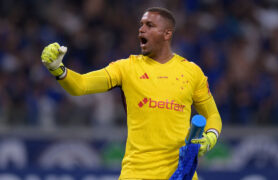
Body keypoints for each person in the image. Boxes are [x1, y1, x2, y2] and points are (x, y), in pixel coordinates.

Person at [41, 7, 222, 180]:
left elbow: (212, 114)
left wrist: (211, 137)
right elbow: (80, 85)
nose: (141, 30)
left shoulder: (192, 72)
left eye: (149, 25)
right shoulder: (126, 68)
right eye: (141, 25)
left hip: (181, 174)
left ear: (167, 34)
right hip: (136, 173)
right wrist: (58, 68)